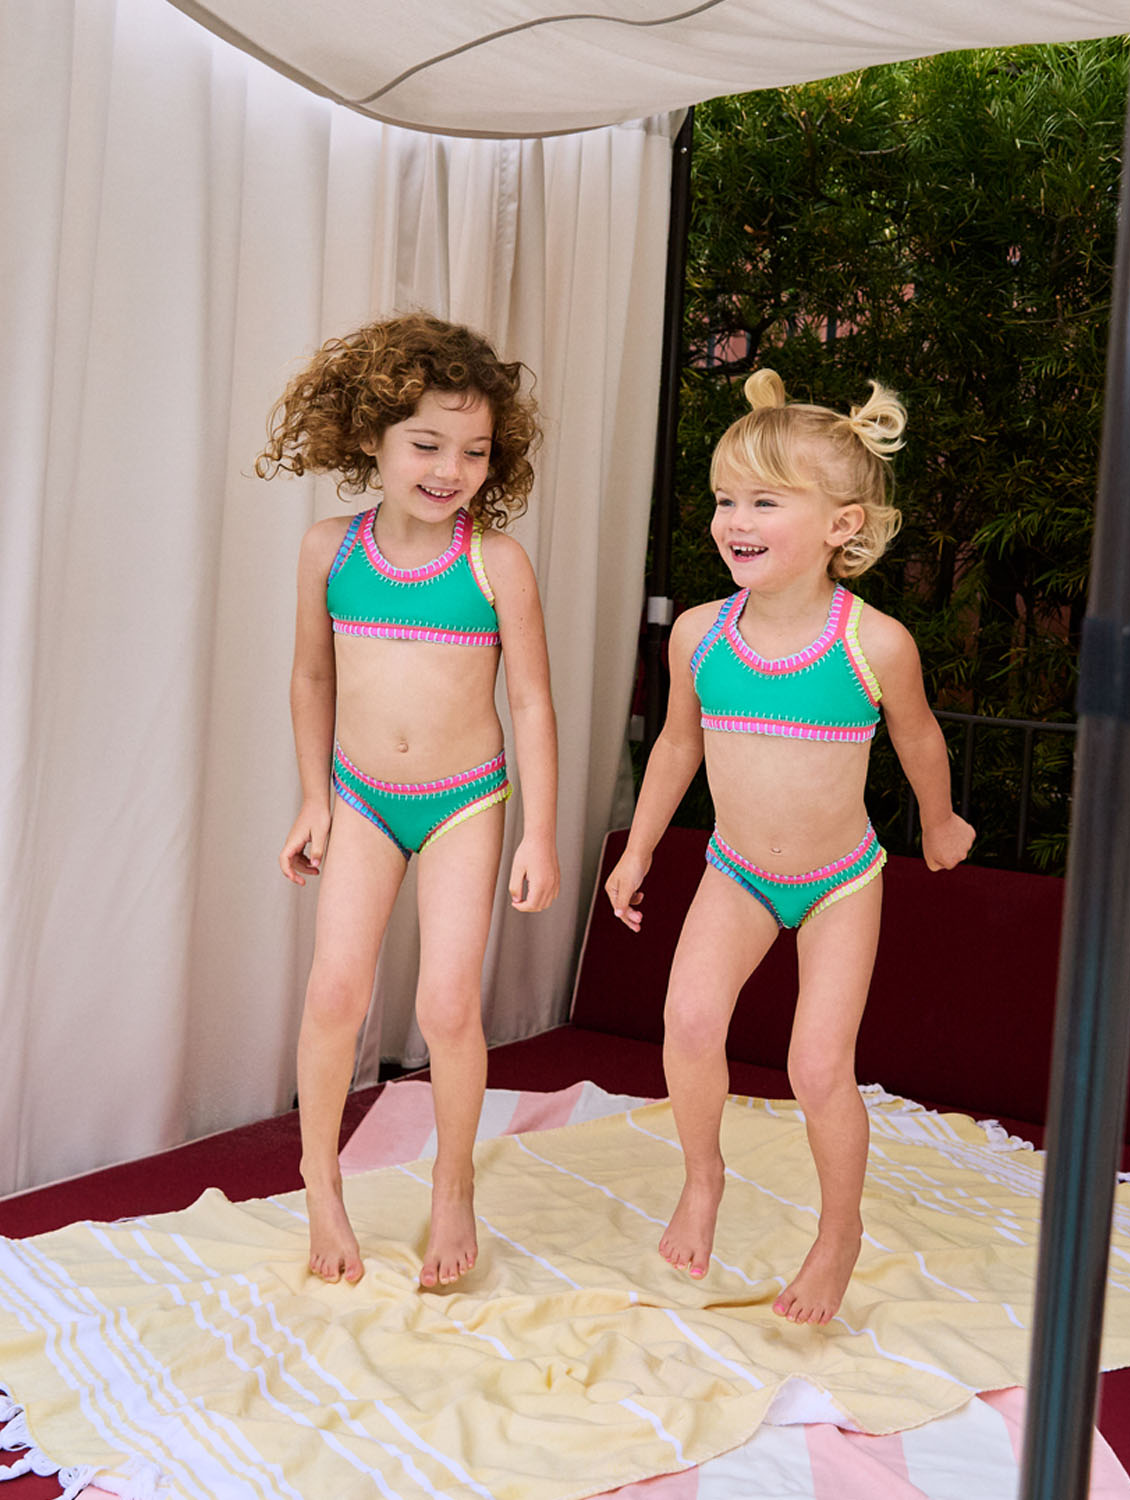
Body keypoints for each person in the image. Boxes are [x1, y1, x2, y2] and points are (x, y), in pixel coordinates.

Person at [605, 369, 974, 1325]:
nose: (735, 518)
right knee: (687, 1024)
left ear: (842, 526)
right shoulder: (699, 634)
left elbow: (920, 737)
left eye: (765, 500)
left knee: (817, 1065)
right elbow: (678, 744)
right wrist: (641, 850)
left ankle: (839, 1230)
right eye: (727, 499)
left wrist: (939, 820)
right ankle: (702, 1176)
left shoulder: (873, 643)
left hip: (841, 881)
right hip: (736, 870)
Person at [257, 311, 559, 1287]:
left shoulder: (494, 563)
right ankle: (320, 1185)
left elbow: (531, 699)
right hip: (363, 798)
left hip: (466, 800)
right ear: (371, 440)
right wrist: (313, 799)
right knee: (334, 993)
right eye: (425, 444)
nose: (448, 468)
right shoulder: (327, 551)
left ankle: (454, 1186)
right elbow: (310, 681)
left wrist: (539, 835)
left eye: (472, 451)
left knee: (444, 1004)